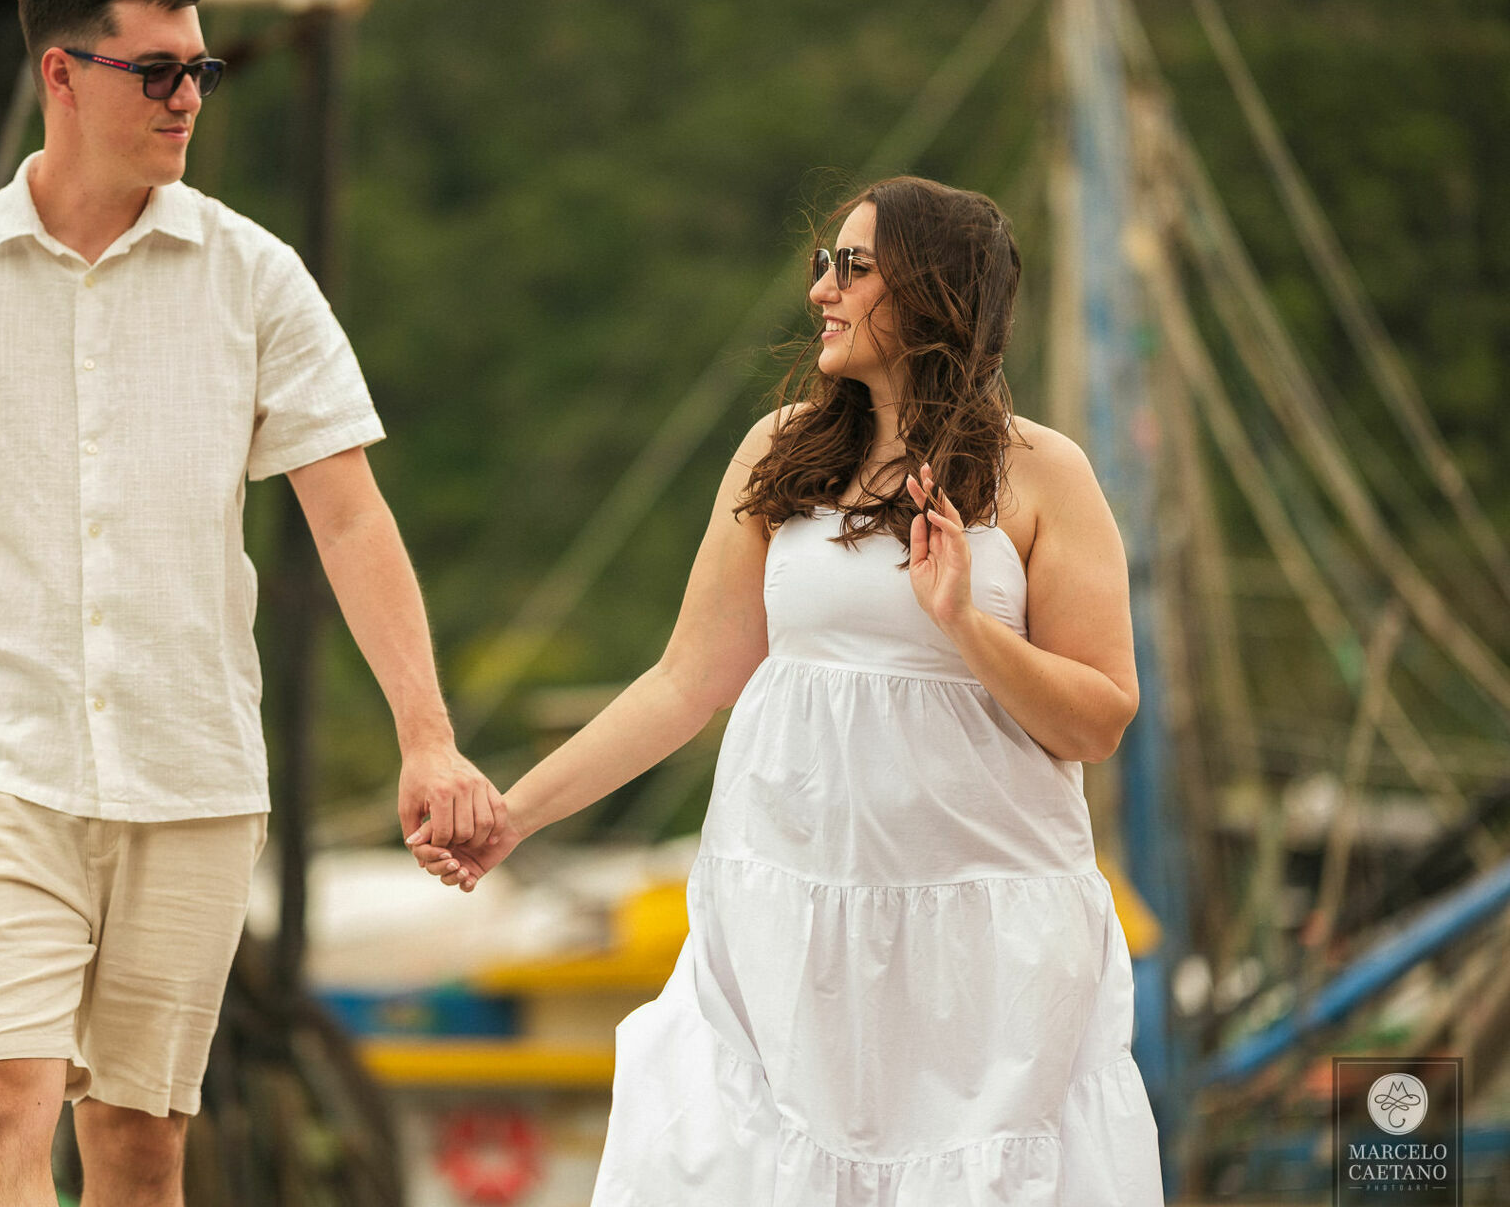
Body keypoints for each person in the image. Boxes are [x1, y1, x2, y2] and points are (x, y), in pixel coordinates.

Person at [0, 0, 505, 1203]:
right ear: (61, 75)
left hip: (190, 769)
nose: (187, 99)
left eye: (202, 72)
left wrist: (427, 734)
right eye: (158, 71)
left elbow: (348, 517)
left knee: (138, 1138)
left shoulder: (256, 277)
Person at [411, 176, 1166, 1203]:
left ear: (934, 291)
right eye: (824, 263)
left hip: (982, 939)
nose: (821, 289)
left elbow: (1099, 716)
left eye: (852, 265)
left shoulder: (1045, 474)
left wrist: (965, 625)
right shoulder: (781, 456)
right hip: (785, 920)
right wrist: (514, 814)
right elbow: (684, 683)